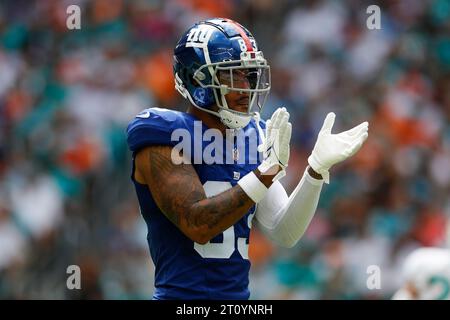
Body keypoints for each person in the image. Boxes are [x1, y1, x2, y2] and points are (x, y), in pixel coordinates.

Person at [126, 18, 369, 300]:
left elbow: (284, 231)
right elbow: (197, 223)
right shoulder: (163, 132)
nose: (245, 87)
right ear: (198, 79)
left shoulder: (253, 135)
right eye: (233, 76)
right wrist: (265, 173)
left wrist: (314, 171)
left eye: (250, 75)